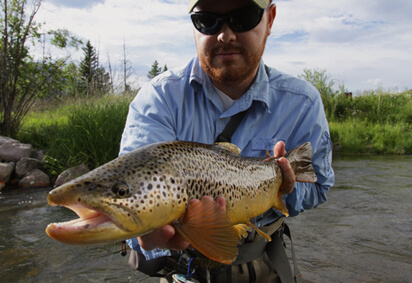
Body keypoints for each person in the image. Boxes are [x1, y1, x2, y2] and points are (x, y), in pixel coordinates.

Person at [119, 0, 334, 282]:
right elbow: (130, 190)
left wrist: (281, 191)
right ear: (193, 26)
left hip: (263, 262)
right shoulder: (158, 100)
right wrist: (142, 231)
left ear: (270, 19)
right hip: (184, 270)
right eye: (208, 20)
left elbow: (319, 186)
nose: (225, 34)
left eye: (243, 18)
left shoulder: (302, 104)